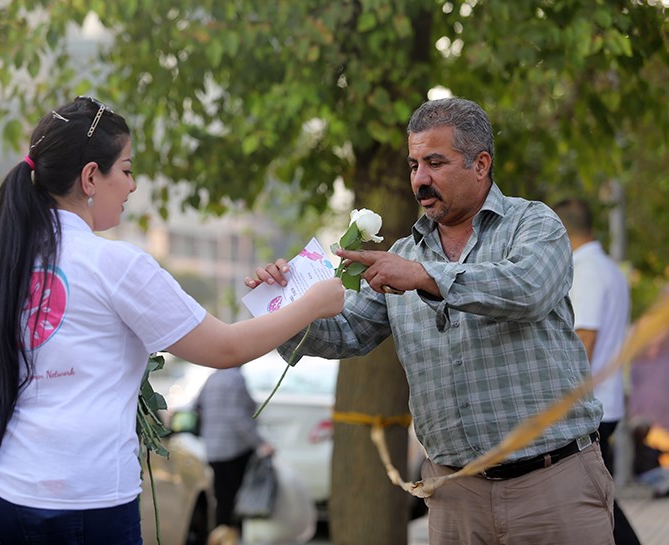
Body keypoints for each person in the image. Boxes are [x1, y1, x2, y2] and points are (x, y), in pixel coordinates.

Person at [0, 96, 345, 545]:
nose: (132, 187)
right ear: (91, 176)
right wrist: (311, 304)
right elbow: (224, 348)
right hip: (75, 505)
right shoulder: (116, 265)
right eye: (128, 170)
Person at [246, 97, 614, 544]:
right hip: (454, 496)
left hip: (552, 485)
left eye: (435, 162)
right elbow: (345, 334)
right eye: (414, 164)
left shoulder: (535, 224)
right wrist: (284, 304)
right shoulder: (402, 255)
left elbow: (527, 290)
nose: (420, 179)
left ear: (481, 164)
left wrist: (424, 277)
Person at [553, 198, 641, 545]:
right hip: (605, 401)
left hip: (588, 407)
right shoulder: (607, 268)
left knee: (590, 503)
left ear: (559, 231)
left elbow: (582, 342)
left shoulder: (586, 271)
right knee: (595, 500)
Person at [197, 367, 274, 544]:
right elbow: (238, 416)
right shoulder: (236, 379)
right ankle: (228, 538)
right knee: (234, 500)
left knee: (221, 496)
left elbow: (197, 406)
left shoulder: (212, 378)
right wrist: (260, 443)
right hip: (234, 448)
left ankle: (220, 536)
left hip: (213, 448)